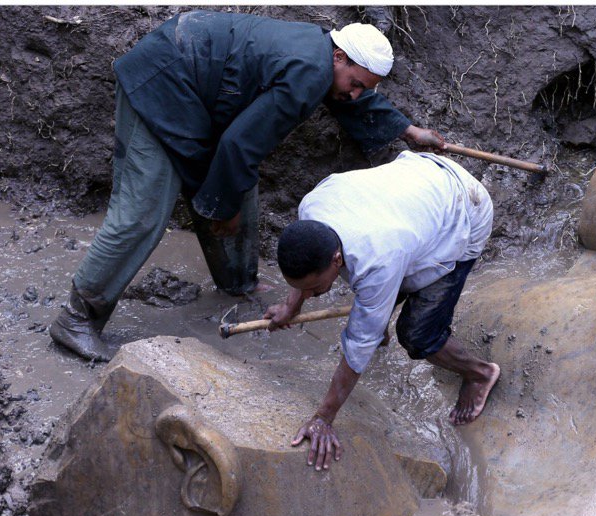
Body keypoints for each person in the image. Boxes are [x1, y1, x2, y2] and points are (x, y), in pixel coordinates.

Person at [50, 10, 445, 362]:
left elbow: (347, 99)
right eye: (356, 82)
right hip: (161, 82)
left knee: (236, 184)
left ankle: (238, 284)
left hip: (196, 91)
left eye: (364, 88)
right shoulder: (310, 72)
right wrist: (226, 208)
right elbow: (239, 144)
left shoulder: (322, 53)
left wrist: (408, 131)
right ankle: (76, 319)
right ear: (339, 57)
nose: (355, 94)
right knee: (143, 213)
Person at [266, 151, 500, 471]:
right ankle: (379, 319)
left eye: (314, 289)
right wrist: (291, 305)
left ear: (336, 259)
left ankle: (480, 373)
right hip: (417, 183)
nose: (310, 295)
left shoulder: (377, 257)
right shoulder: (311, 210)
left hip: (464, 209)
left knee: (417, 335)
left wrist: (324, 417)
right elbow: (307, 260)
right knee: (376, 299)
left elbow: (357, 345)